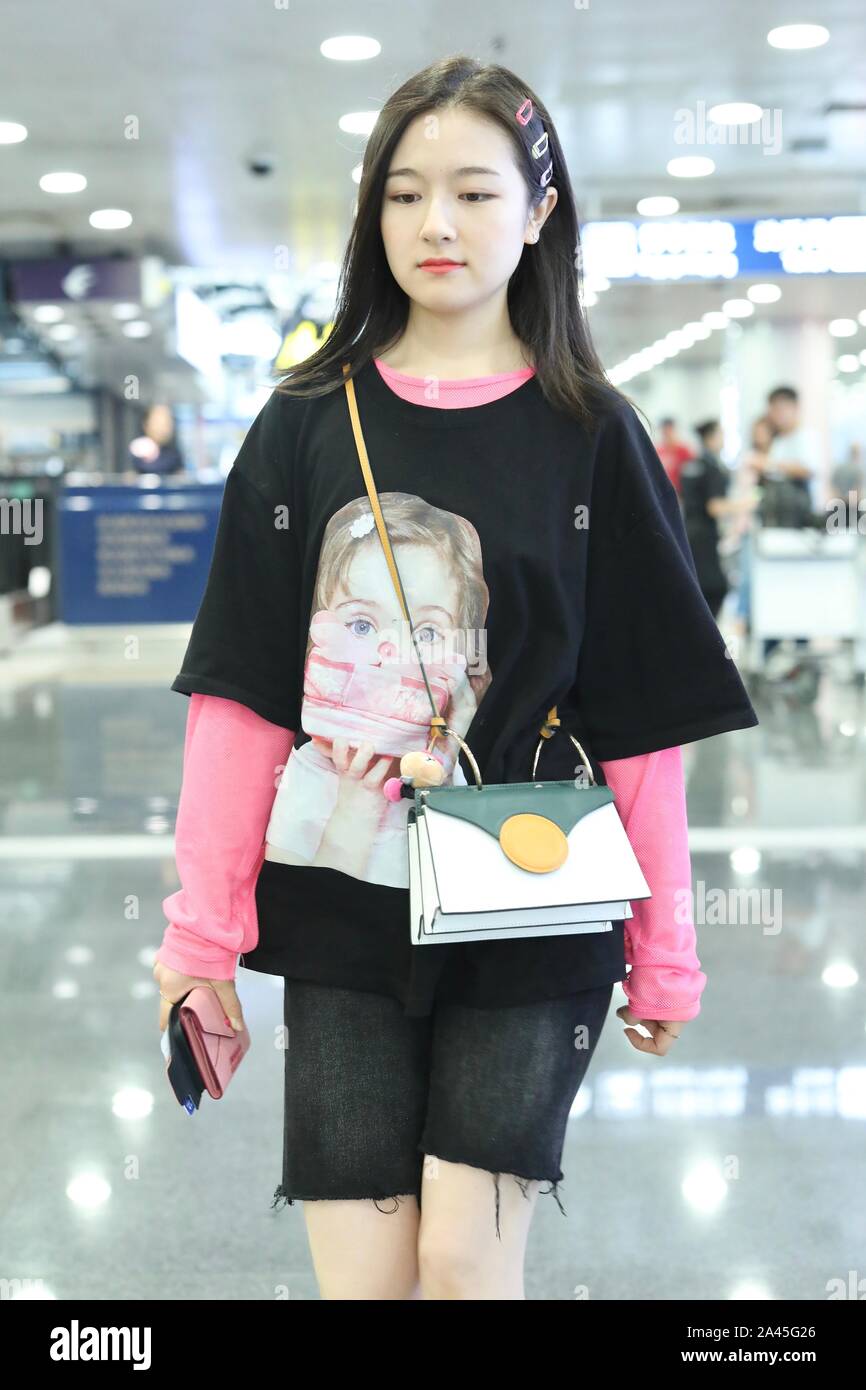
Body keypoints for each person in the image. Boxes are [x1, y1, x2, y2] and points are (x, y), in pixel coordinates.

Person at [153, 55, 759, 1300]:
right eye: (404, 193)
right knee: (365, 1276)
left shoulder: (592, 432)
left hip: (534, 895)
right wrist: (197, 933)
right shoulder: (303, 424)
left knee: (464, 1268)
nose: (436, 224)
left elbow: (641, 722)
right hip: (339, 902)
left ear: (538, 215)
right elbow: (242, 699)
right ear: (372, 214)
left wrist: (668, 951)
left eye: (476, 193)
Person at [755, 386, 822, 670]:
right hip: (775, 531)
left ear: (794, 408)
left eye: (781, 408)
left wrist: (769, 462)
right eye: (773, 409)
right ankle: (770, 659)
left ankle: (800, 661)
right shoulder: (779, 442)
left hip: (799, 529)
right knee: (776, 593)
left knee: (800, 596)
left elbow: (808, 469)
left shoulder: (805, 438)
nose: (777, 415)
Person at [680, 420, 759, 620]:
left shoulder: (690, 465)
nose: (724, 440)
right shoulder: (712, 467)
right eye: (721, 435)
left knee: (697, 585)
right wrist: (747, 504)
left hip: (688, 531)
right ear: (711, 438)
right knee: (714, 588)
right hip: (705, 535)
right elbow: (714, 506)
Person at [128, 404, 185, 475]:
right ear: (145, 424)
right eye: (158, 422)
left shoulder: (175, 455)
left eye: (167, 422)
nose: (163, 428)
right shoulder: (136, 449)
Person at [654, 417, 695, 496]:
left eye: (670, 430)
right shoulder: (658, 451)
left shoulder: (684, 450)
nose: (667, 434)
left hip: (681, 492)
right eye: (665, 431)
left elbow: (691, 474)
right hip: (663, 491)